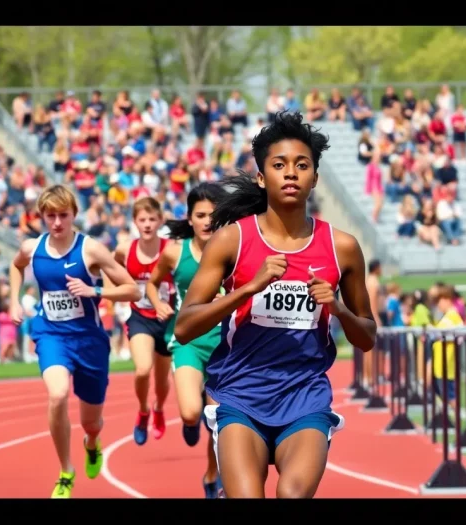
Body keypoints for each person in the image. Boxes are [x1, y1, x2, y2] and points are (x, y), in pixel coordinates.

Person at [174, 111, 377, 498]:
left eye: (302, 165)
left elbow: (367, 337)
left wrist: (339, 310)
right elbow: (185, 327)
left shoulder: (343, 248)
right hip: (241, 395)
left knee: (292, 495)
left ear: (314, 178)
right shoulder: (232, 241)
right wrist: (246, 289)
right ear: (262, 178)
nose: (291, 173)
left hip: (304, 397)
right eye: (279, 165)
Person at [8, 184, 141, 499]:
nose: (56, 223)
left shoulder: (90, 249)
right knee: (57, 395)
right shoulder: (31, 248)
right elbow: (16, 267)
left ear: (73, 216)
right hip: (51, 334)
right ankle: (66, 470)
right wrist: (14, 300)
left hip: (89, 341)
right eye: (50, 215)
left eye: (63, 216)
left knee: (90, 422)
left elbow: (132, 289)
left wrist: (94, 291)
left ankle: (92, 444)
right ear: (41, 216)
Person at [145, 183, 227, 498]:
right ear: (190, 219)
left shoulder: (232, 250)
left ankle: (212, 477)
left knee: (219, 421)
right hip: (189, 341)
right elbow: (152, 285)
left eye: (213, 215)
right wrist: (159, 303)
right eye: (201, 215)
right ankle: (190, 422)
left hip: (226, 345)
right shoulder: (174, 253)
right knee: (193, 413)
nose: (207, 221)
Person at [113, 197, 175, 445]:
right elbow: (109, 265)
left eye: (152, 219)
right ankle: (143, 410)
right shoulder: (125, 249)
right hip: (140, 317)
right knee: (142, 369)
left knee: (161, 381)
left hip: (167, 318)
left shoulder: (171, 249)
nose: (147, 224)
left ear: (160, 220)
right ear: (134, 222)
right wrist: (113, 293)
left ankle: (159, 407)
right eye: (142, 220)